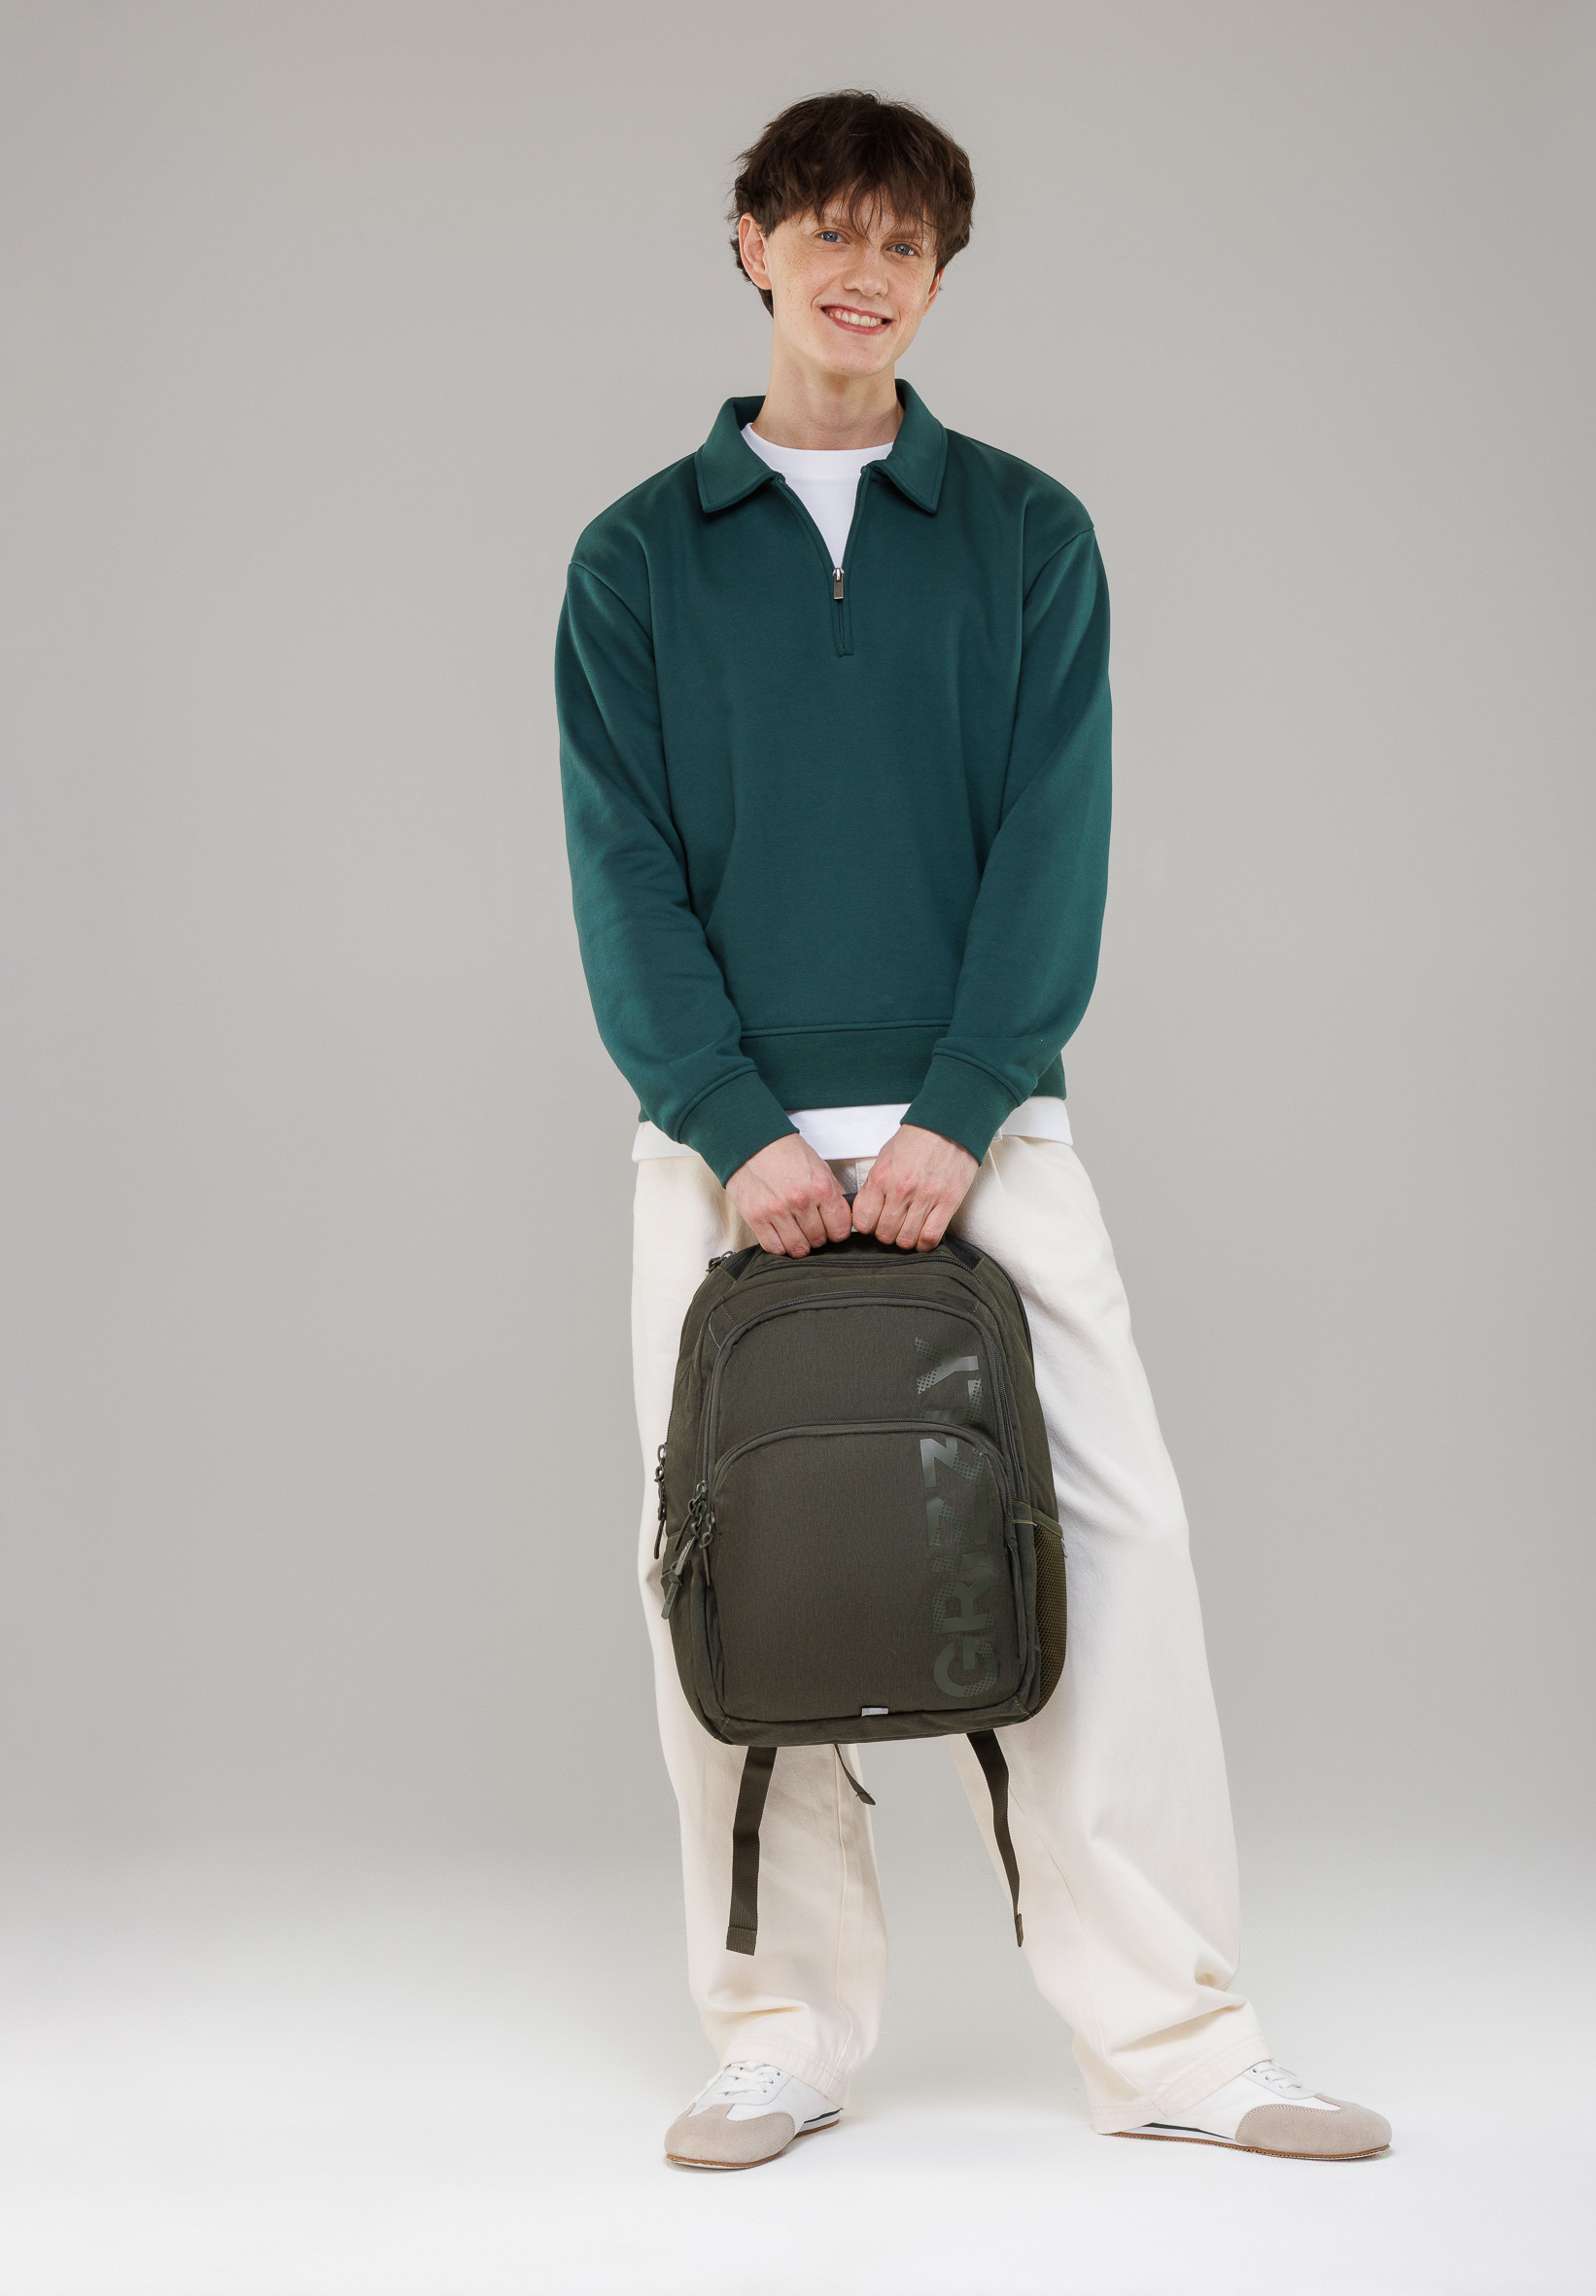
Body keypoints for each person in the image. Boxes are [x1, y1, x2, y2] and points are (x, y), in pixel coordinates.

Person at [555, 88, 1389, 2171]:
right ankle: (776, 2032)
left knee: (1118, 1546)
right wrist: (733, 1124)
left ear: (939, 276)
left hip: (988, 1134)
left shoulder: (1026, 533)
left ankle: (1179, 2039)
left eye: (905, 247)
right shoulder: (635, 559)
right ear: (749, 243)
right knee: (727, 1565)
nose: (865, 275)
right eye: (828, 233)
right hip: (719, 1154)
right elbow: (621, 869)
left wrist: (959, 1105)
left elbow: (1051, 844)